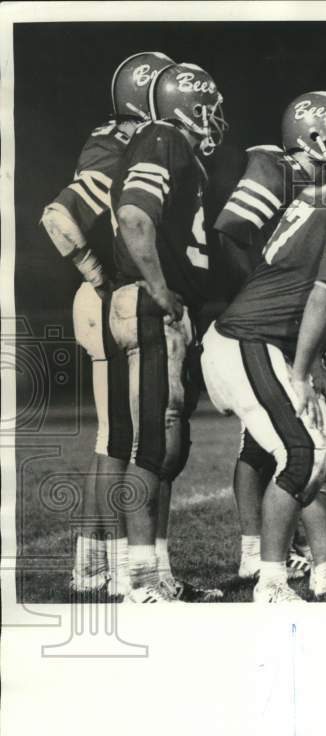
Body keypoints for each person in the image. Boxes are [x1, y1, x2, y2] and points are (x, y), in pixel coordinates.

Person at [41, 51, 175, 598]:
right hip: (109, 299)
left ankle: (97, 565)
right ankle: (109, 567)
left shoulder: (121, 141)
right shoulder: (115, 145)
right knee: (121, 439)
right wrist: (97, 274)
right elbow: (60, 216)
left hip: (112, 299)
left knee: (116, 439)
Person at [213, 91, 326, 581]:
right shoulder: (276, 168)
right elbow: (233, 229)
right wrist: (258, 289)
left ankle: (306, 555)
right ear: (310, 135)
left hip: (295, 326)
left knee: (285, 440)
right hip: (263, 325)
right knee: (263, 444)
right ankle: (255, 552)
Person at [109, 62, 227, 603]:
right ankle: (138, 580)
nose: (215, 118)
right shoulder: (163, 139)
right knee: (152, 442)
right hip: (150, 306)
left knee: (169, 446)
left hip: (165, 309)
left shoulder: (176, 151)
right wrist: (160, 291)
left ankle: (158, 574)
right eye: (208, 106)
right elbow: (135, 217)